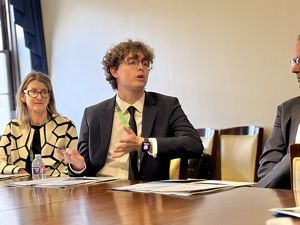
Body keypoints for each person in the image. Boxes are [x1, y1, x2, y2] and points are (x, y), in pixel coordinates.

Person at [63, 39, 203, 181]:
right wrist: (79, 166)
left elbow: (194, 145)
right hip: (103, 192)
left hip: (149, 194)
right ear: (114, 71)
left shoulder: (166, 106)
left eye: (145, 63)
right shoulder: (93, 114)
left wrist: (145, 144)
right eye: (132, 62)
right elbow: (85, 169)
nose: (141, 67)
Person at [0, 71, 78, 176]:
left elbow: (76, 163)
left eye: (44, 92)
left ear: (49, 97)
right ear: (23, 96)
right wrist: (19, 171)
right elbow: (1, 162)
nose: (39, 97)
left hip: (58, 187)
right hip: (21, 188)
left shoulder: (65, 126)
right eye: (33, 91)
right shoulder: (13, 128)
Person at [256, 35, 300, 189]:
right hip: (283, 202)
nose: (294, 69)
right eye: (294, 61)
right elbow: (267, 168)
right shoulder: (286, 109)